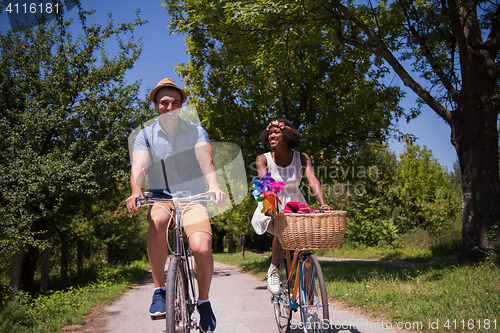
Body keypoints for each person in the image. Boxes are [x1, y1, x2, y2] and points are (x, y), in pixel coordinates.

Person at [126, 78, 225, 333]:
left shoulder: (195, 130)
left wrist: (213, 186)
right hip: (162, 196)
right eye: (164, 102)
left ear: (182, 106)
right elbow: (138, 166)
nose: (169, 107)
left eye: (175, 103)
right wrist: (136, 190)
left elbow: (205, 160)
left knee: (201, 249)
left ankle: (203, 302)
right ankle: (160, 290)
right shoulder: (145, 134)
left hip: (193, 197)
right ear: (156, 105)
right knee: (157, 221)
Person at [251, 119, 332, 294]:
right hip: (271, 204)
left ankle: (311, 304)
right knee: (283, 227)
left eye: (276, 132)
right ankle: (273, 269)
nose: (272, 135)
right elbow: (266, 183)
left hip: (296, 206)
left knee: (305, 250)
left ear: (287, 135)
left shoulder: (301, 158)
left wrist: (323, 204)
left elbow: (312, 181)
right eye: (270, 133)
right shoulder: (262, 159)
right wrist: (272, 204)